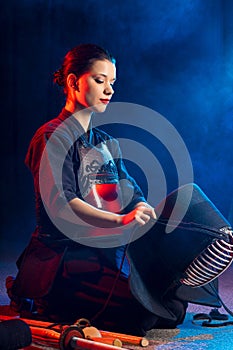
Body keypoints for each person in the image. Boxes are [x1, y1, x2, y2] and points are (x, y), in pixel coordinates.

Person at [7, 44, 197, 335]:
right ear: (73, 82)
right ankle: (36, 294)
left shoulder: (108, 142)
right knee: (145, 315)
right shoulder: (50, 136)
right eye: (99, 80)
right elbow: (62, 204)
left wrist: (141, 208)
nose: (109, 89)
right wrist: (120, 220)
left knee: (172, 306)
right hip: (63, 258)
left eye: (112, 82)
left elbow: (130, 191)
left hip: (102, 254)